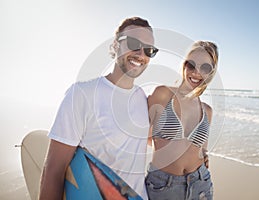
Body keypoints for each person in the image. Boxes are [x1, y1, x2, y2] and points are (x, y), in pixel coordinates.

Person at [39, 16, 159, 200]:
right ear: (115, 45)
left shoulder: (143, 98)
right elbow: (54, 170)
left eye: (149, 50)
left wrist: (198, 152)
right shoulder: (82, 94)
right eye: (133, 43)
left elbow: (149, 138)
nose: (141, 54)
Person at [146, 41, 218, 200]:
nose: (196, 72)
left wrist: (204, 155)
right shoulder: (162, 94)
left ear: (211, 72)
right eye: (191, 65)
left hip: (201, 183)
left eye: (205, 68)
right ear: (183, 65)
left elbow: (202, 148)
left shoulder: (207, 110)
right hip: (163, 185)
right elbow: (141, 136)